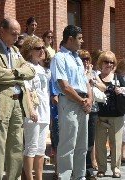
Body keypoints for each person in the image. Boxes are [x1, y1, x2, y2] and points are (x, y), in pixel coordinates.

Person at [0, 18, 35, 180]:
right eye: (13, 33)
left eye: (18, 34)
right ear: (2, 31)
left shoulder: (16, 51)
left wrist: (13, 73)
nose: (17, 37)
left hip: (17, 102)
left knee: (16, 147)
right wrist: (19, 75)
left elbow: (31, 71)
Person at [50, 25, 93, 180]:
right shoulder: (59, 58)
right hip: (69, 102)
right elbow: (64, 86)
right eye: (79, 38)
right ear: (70, 39)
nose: (82, 41)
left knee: (82, 144)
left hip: (83, 104)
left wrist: (89, 98)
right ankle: (65, 176)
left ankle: (80, 176)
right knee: (68, 144)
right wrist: (82, 100)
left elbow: (86, 82)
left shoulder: (78, 58)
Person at [20, 36, 51, 180]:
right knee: (31, 147)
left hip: (45, 111)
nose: (42, 50)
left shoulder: (44, 69)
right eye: (38, 48)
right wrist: (31, 110)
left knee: (41, 149)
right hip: (33, 112)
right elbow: (26, 90)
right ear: (29, 51)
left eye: (43, 47)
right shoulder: (26, 67)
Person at [95, 51, 125, 178]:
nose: (108, 64)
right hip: (100, 115)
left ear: (114, 65)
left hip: (117, 115)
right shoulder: (95, 78)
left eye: (111, 62)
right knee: (100, 143)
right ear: (101, 63)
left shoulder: (119, 78)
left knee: (116, 143)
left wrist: (121, 91)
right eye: (106, 61)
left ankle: (116, 168)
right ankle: (101, 168)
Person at [78, 49, 106, 178]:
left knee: (89, 141)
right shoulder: (76, 72)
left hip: (93, 110)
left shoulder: (93, 73)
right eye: (83, 58)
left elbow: (103, 87)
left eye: (87, 58)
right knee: (79, 141)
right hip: (79, 109)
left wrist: (92, 78)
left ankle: (88, 170)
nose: (86, 61)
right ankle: (77, 169)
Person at [116, 60, 125, 164]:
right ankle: (121, 154)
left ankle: (123, 154)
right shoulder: (118, 77)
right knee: (122, 130)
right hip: (121, 106)